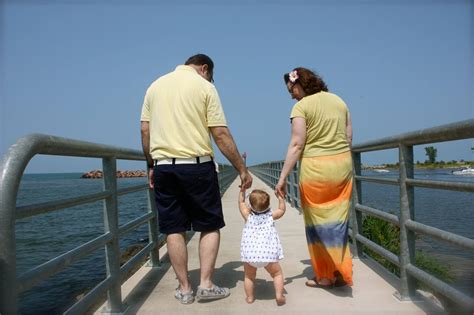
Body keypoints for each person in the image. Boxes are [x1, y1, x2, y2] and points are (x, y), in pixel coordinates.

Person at [140, 53, 252, 304]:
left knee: (173, 227)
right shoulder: (204, 87)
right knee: (209, 225)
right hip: (197, 167)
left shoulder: (154, 86)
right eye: (211, 76)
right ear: (204, 69)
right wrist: (242, 169)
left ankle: (185, 289)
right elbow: (220, 133)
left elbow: (145, 130)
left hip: (163, 168)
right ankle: (206, 285)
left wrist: (151, 165)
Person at [275, 67, 353, 288]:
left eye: (291, 89)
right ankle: (339, 271)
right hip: (342, 166)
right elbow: (348, 138)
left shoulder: (301, 106)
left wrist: (282, 178)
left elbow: (297, 143)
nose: (291, 94)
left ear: (301, 84)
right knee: (338, 220)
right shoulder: (339, 101)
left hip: (316, 169)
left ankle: (326, 275)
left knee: (317, 222)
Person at [238, 189, 286, 305]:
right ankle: (279, 295)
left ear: (251, 206)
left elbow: (241, 203)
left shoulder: (248, 217)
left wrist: (242, 191)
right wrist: (281, 198)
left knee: (249, 276)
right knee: (277, 274)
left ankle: (250, 297)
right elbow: (281, 210)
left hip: (250, 255)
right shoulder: (271, 216)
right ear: (268, 205)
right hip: (268, 255)